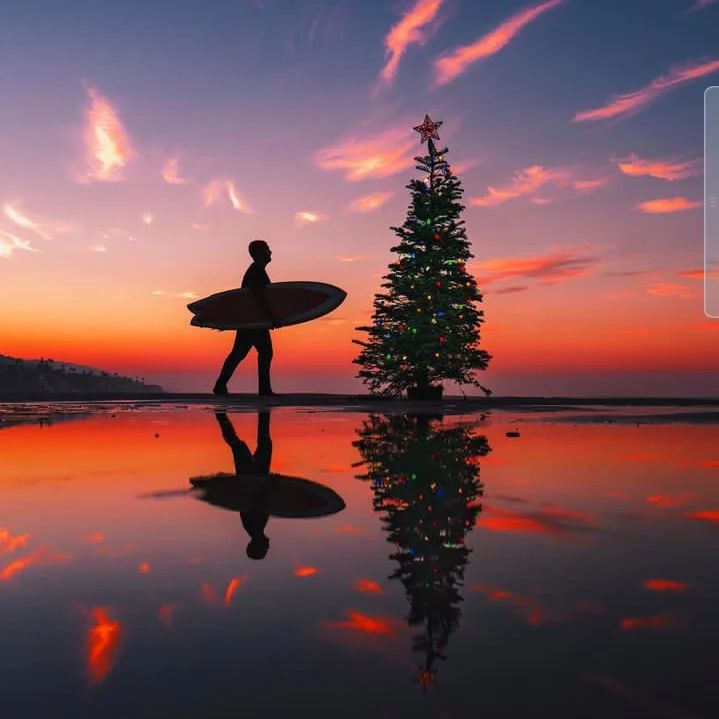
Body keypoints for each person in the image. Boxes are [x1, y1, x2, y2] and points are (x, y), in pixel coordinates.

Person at [213, 240, 280, 396]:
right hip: (254, 321)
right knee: (264, 352)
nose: (270, 252)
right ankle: (263, 390)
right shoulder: (256, 271)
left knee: (239, 353)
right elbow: (258, 297)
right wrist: (271, 316)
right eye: (268, 249)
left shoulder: (256, 270)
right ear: (260, 253)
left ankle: (220, 385)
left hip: (250, 320)